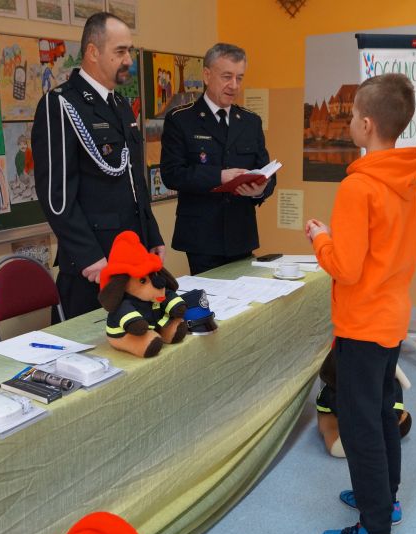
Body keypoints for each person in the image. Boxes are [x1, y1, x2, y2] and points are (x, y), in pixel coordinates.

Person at [305, 72, 416, 534]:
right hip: (392, 316)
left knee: (359, 427)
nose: (350, 120)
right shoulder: (405, 178)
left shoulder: (359, 187)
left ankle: (376, 532)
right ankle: (385, 500)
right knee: (380, 412)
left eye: (353, 115)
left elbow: (346, 267)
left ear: (367, 124)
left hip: (362, 323)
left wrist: (320, 238)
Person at [33, 12, 164, 318]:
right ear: (93, 52)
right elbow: (56, 196)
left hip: (133, 256)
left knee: (138, 338)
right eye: (120, 51)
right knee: (92, 345)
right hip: (94, 265)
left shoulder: (119, 104)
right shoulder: (61, 104)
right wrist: (88, 255)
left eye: (129, 51)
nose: (129, 60)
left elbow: (134, 179)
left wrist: (152, 234)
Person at [160, 43, 275, 275]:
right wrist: (219, 176)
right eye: (227, 77)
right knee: (212, 297)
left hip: (241, 234)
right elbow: (172, 174)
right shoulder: (181, 119)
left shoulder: (250, 121)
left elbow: (267, 173)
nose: (234, 85)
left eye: (239, 78)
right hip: (201, 237)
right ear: (206, 75)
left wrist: (259, 190)